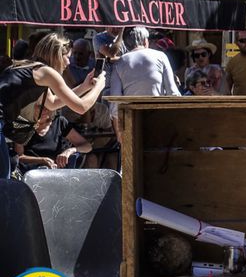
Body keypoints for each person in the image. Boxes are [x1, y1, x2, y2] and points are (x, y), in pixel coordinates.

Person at [0, 33, 106, 179]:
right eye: (67, 56)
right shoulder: (47, 72)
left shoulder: (31, 68)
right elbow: (81, 107)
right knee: (3, 184)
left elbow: (53, 102)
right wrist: (99, 87)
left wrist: (84, 87)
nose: (69, 62)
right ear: (57, 55)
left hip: (3, 128)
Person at [109, 27, 181, 141]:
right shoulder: (160, 56)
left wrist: (119, 136)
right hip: (158, 119)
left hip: (131, 122)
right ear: (145, 41)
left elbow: (115, 103)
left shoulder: (119, 63)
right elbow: (173, 93)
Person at [15, 102, 92, 173]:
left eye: (48, 106)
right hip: (31, 173)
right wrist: (43, 160)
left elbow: (87, 146)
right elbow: (19, 156)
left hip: (58, 173)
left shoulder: (59, 122)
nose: (45, 110)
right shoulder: (23, 125)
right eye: (40, 106)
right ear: (30, 108)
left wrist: (70, 150)